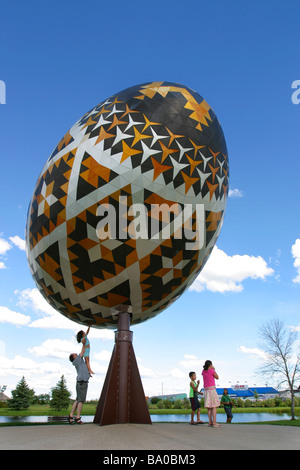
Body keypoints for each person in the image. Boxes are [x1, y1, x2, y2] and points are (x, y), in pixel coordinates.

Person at [68, 350, 90, 424]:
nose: (75, 353)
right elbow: (83, 350)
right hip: (82, 383)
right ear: (74, 357)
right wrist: (84, 340)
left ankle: (71, 416)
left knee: (78, 400)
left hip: (81, 382)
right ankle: (78, 418)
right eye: (73, 353)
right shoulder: (77, 360)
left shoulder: (79, 361)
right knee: (81, 401)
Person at [202, 360, 221, 428]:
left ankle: (210, 422)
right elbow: (217, 377)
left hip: (206, 390)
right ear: (210, 365)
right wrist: (214, 369)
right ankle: (214, 422)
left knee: (209, 407)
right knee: (214, 406)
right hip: (212, 389)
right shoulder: (212, 370)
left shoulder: (203, 371)